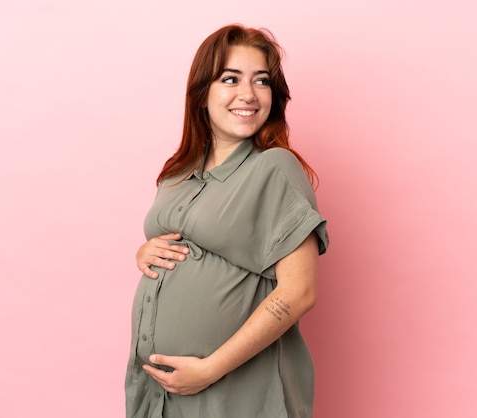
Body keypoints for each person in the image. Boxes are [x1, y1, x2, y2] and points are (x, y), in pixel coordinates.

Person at [125, 24, 329, 418]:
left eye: (262, 81)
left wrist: (208, 370)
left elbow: (299, 292)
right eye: (230, 79)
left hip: (236, 390)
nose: (248, 94)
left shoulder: (276, 168)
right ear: (203, 93)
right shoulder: (178, 173)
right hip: (160, 392)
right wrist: (144, 252)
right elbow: (182, 241)